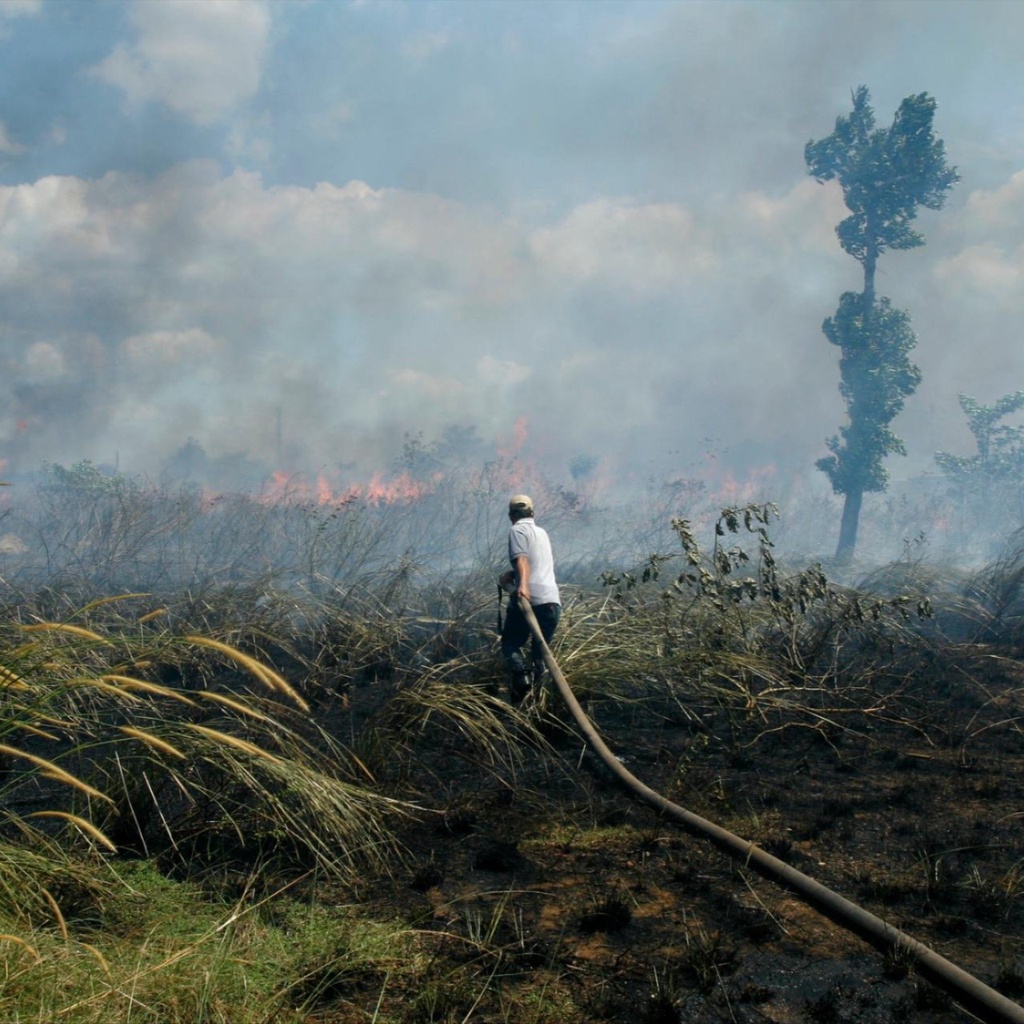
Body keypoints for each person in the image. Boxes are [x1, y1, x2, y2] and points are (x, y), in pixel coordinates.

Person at [499, 494, 561, 705]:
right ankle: (540, 703)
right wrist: (512, 574)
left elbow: (522, 560)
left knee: (510, 644)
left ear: (511, 516)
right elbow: (537, 562)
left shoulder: (517, 530)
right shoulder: (542, 533)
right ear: (532, 513)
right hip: (552, 602)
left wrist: (522, 585)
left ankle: (522, 681)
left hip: (530, 600)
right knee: (539, 655)